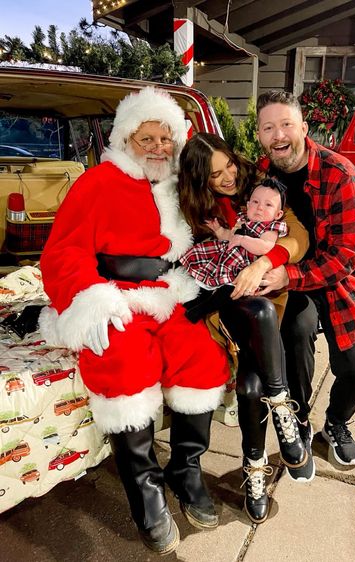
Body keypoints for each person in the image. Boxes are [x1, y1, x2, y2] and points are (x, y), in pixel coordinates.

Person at [38, 87, 230, 555]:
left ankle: (185, 471)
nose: (158, 147)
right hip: (116, 296)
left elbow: (225, 222)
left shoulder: (181, 182)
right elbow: (63, 251)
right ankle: (145, 492)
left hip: (173, 292)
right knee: (123, 365)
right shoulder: (97, 182)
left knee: (203, 358)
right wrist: (92, 299)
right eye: (148, 138)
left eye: (166, 138)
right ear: (126, 139)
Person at [177, 132, 310, 524]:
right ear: (200, 179)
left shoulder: (260, 190)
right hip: (229, 306)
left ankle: (256, 468)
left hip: (265, 294)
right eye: (216, 174)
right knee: (261, 323)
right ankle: (281, 407)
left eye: (229, 164)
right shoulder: (197, 212)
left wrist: (267, 264)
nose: (228, 176)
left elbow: (297, 235)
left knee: (253, 386)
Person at [254, 90, 355, 482]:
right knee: (294, 333)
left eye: (286, 124)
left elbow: (346, 256)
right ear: (259, 134)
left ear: (304, 128)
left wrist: (287, 274)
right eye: (268, 127)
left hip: (340, 282)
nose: (278, 135)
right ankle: (300, 422)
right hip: (292, 282)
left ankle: (336, 422)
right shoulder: (263, 177)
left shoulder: (341, 174)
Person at [180, 178, 288, 322]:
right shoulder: (243, 220)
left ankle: (204, 308)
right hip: (226, 258)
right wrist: (218, 230)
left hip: (244, 266)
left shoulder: (270, 227)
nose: (260, 208)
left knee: (229, 290)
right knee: (206, 273)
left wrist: (243, 240)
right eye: (255, 202)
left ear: (278, 214)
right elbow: (230, 236)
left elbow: (265, 247)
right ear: (248, 205)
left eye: (268, 205)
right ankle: (195, 301)